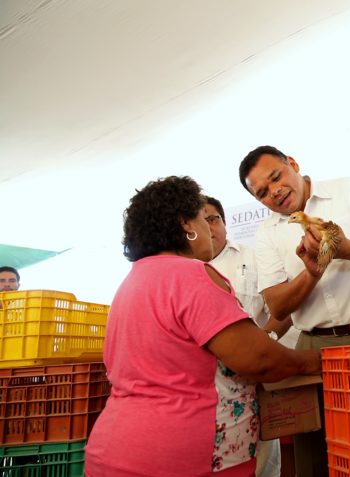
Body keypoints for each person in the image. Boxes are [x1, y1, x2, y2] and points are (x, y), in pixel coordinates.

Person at [84, 176, 321, 477]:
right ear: (186, 226)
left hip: (114, 447)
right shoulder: (191, 275)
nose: (209, 230)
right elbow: (259, 361)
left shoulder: (132, 281)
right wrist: (317, 359)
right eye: (202, 219)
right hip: (180, 455)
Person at [239, 146, 350, 477]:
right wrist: (313, 273)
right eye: (262, 192)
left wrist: (343, 249)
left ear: (292, 164)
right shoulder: (267, 233)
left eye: (276, 177)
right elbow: (277, 304)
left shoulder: (347, 190)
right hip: (315, 351)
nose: (274, 192)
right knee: (320, 455)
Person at [204, 195, 300, 477]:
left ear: (224, 222)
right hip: (209, 389)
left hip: (260, 372)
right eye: (200, 220)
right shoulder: (183, 270)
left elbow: (286, 307)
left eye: (213, 218)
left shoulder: (254, 257)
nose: (208, 226)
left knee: (264, 459)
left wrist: (264, 344)